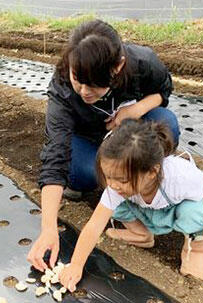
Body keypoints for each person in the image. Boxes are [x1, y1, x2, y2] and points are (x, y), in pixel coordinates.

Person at [28, 19, 180, 271]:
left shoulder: (142, 62)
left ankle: (144, 185)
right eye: (79, 80)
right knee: (86, 173)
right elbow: (56, 153)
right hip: (87, 141)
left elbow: (164, 89)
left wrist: (136, 109)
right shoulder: (62, 90)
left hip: (125, 135)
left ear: (118, 67)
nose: (85, 92)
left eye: (95, 84)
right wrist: (48, 229)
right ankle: (121, 182)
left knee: (167, 124)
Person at [59, 120, 203, 290]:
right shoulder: (117, 187)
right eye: (108, 177)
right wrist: (76, 265)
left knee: (194, 212)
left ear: (152, 172)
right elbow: (94, 225)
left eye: (122, 180)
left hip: (174, 208)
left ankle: (197, 247)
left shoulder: (179, 176)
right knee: (112, 206)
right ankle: (141, 234)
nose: (113, 185)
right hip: (144, 208)